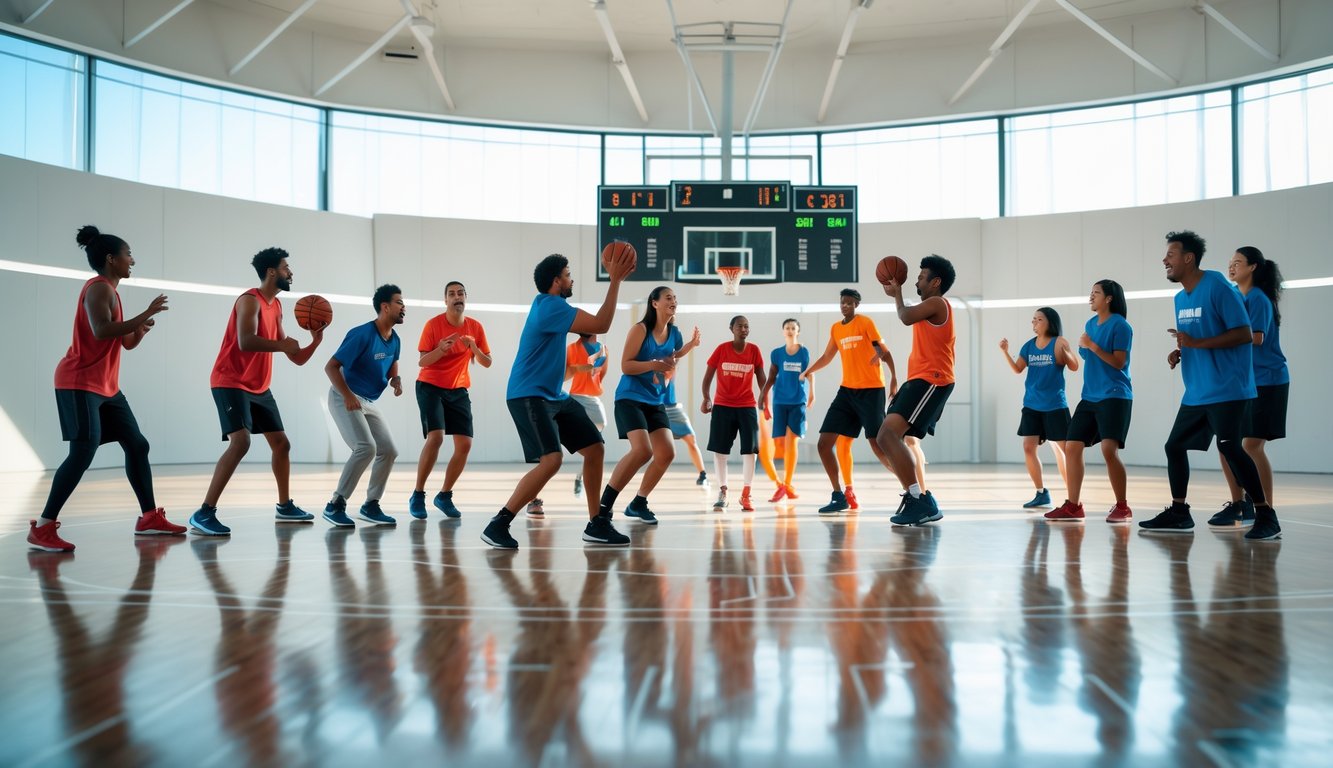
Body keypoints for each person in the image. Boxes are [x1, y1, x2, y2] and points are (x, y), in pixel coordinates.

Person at [28, 225, 183, 552]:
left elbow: (124, 342)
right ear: (111, 259)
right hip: (79, 382)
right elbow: (101, 331)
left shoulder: (112, 293)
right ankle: (43, 527)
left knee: (137, 445)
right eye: (128, 255)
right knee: (83, 452)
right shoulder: (99, 289)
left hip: (107, 387)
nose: (132, 261)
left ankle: (149, 518)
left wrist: (140, 329)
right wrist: (147, 311)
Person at [480, 252, 633, 550]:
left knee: (595, 449)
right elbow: (601, 324)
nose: (571, 278)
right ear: (556, 282)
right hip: (528, 394)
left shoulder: (552, 307)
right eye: (567, 274)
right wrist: (615, 280)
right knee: (552, 460)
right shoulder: (550, 306)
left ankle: (596, 523)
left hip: (553, 396)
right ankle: (499, 523)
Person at [1142, 231, 1280, 540]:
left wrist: (1197, 342)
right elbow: (1197, 338)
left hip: (1229, 387)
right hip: (1197, 390)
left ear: (1188, 258)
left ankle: (1265, 514)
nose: (1165, 260)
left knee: (1230, 446)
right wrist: (1181, 351)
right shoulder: (1180, 298)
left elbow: (1245, 334)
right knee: (1174, 446)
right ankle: (1179, 512)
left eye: (1171, 255)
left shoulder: (1217, 286)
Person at [190, 248, 324, 536]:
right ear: (272, 272)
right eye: (286, 267)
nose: (290, 272)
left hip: (259, 386)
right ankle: (204, 513)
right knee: (240, 443)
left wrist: (315, 341)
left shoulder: (275, 307)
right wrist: (283, 345)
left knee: (282, 445)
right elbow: (246, 341)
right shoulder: (250, 301)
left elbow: (295, 357)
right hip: (230, 381)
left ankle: (285, 506)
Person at [598, 286, 701, 526]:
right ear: (654, 303)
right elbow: (626, 366)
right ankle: (604, 506)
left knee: (666, 453)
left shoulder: (674, 332)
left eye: (675, 298)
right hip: (630, 398)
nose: (673, 301)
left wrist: (691, 346)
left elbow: (672, 356)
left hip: (655, 401)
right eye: (668, 298)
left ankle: (638, 503)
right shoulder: (640, 330)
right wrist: (653, 365)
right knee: (643, 451)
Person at [800, 289, 898, 514]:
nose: (845, 306)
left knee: (878, 445)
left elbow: (884, 351)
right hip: (847, 392)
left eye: (849, 303)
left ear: (856, 305)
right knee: (824, 444)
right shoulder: (836, 328)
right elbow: (827, 357)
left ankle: (912, 488)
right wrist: (808, 371)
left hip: (872, 391)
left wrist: (893, 378)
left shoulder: (866, 323)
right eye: (842, 302)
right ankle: (838, 496)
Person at [1210, 247, 1288, 528]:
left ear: (1253, 267)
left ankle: (1266, 510)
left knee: (1252, 445)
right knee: (1226, 444)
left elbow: (1255, 338)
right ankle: (1240, 505)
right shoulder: (1238, 297)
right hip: (1245, 383)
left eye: (1238, 263)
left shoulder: (1257, 298)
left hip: (1268, 380)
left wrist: (1217, 338)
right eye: (1229, 263)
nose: (1231, 267)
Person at [878, 255, 957, 526]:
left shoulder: (937, 303)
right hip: (920, 379)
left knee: (888, 434)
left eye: (922, 276)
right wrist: (898, 295)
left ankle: (919, 500)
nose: (917, 280)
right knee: (886, 436)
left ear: (936, 282)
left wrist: (897, 294)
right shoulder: (928, 305)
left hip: (933, 379)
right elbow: (908, 313)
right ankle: (921, 499)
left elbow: (905, 316)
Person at [1047, 280, 1134, 524]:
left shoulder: (1121, 326)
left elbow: (1118, 362)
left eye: (1096, 293)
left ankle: (1123, 506)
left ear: (1108, 298)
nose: (1091, 297)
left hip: (1115, 395)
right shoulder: (1090, 324)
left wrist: (1092, 345)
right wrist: (1082, 348)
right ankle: (1073, 506)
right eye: (1091, 293)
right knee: (1072, 447)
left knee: (1109, 450)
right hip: (1090, 397)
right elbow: (1085, 355)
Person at [323, 284, 406, 527]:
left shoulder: (395, 339)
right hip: (344, 396)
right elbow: (331, 366)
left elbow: (392, 364)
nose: (404, 307)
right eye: (400, 302)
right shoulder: (361, 334)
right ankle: (335, 504)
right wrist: (347, 395)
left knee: (389, 450)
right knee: (365, 447)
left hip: (368, 401)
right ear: (385, 306)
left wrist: (396, 380)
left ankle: (371, 505)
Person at [410, 281, 492, 519]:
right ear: (445, 300)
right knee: (435, 438)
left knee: (465, 445)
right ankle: (418, 494)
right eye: (451, 294)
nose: (457, 297)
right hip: (430, 386)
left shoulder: (475, 327)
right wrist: (441, 350)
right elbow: (422, 362)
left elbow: (487, 362)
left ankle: (444, 495)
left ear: (466, 297)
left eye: (460, 293)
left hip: (458, 389)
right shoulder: (433, 325)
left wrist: (474, 347)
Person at [999, 307, 1079, 508]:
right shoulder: (1029, 346)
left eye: (1039, 319)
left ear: (1050, 322)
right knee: (1028, 447)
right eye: (1033, 319)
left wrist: (1067, 351)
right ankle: (1041, 492)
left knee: (1065, 451)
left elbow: (1074, 366)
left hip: (1055, 405)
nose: (1034, 323)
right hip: (1032, 404)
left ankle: (1073, 497)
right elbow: (1018, 369)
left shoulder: (1059, 342)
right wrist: (1005, 352)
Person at [701, 315, 767, 511]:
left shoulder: (754, 350)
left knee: (750, 450)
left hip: (747, 406)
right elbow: (708, 377)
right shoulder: (722, 349)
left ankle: (747, 493)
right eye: (740, 326)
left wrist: (765, 399)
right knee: (720, 451)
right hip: (722, 406)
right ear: (732, 329)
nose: (744, 329)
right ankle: (723, 491)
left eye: (747, 326)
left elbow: (762, 378)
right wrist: (706, 397)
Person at [758, 318, 814, 502]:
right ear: (783, 331)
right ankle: (781, 485)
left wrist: (812, 393)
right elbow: (772, 376)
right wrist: (764, 396)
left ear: (798, 331)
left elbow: (810, 373)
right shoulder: (776, 354)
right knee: (778, 442)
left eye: (793, 328)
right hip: (780, 401)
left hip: (798, 401)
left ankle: (787, 483)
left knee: (792, 441)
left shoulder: (804, 352)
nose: (790, 330)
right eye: (787, 328)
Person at [565, 332, 609, 499]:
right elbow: (566, 372)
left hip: (593, 398)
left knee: (598, 432)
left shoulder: (603, 349)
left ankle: (580, 476)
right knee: (589, 444)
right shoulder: (571, 349)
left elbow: (601, 372)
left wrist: (594, 381)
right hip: (576, 397)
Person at [662, 378, 709, 487]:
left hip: (673, 408)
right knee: (654, 446)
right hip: (657, 408)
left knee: (691, 439)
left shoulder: (669, 363)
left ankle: (703, 475)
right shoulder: (650, 365)